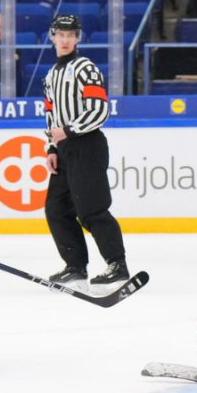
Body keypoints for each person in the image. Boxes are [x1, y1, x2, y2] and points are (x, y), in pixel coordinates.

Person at [42, 14, 130, 288]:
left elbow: (100, 110)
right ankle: (76, 266)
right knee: (56, 209)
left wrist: (68, 131)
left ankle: (118, 264)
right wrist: (52, 147)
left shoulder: (85, 68)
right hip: (65, 148)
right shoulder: (51, 75)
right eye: (61, 34)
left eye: (71, 35)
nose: (65, 39)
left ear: (78, 38)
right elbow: (50, 115)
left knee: (91, 209)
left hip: (87, 144)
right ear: (52, 36)